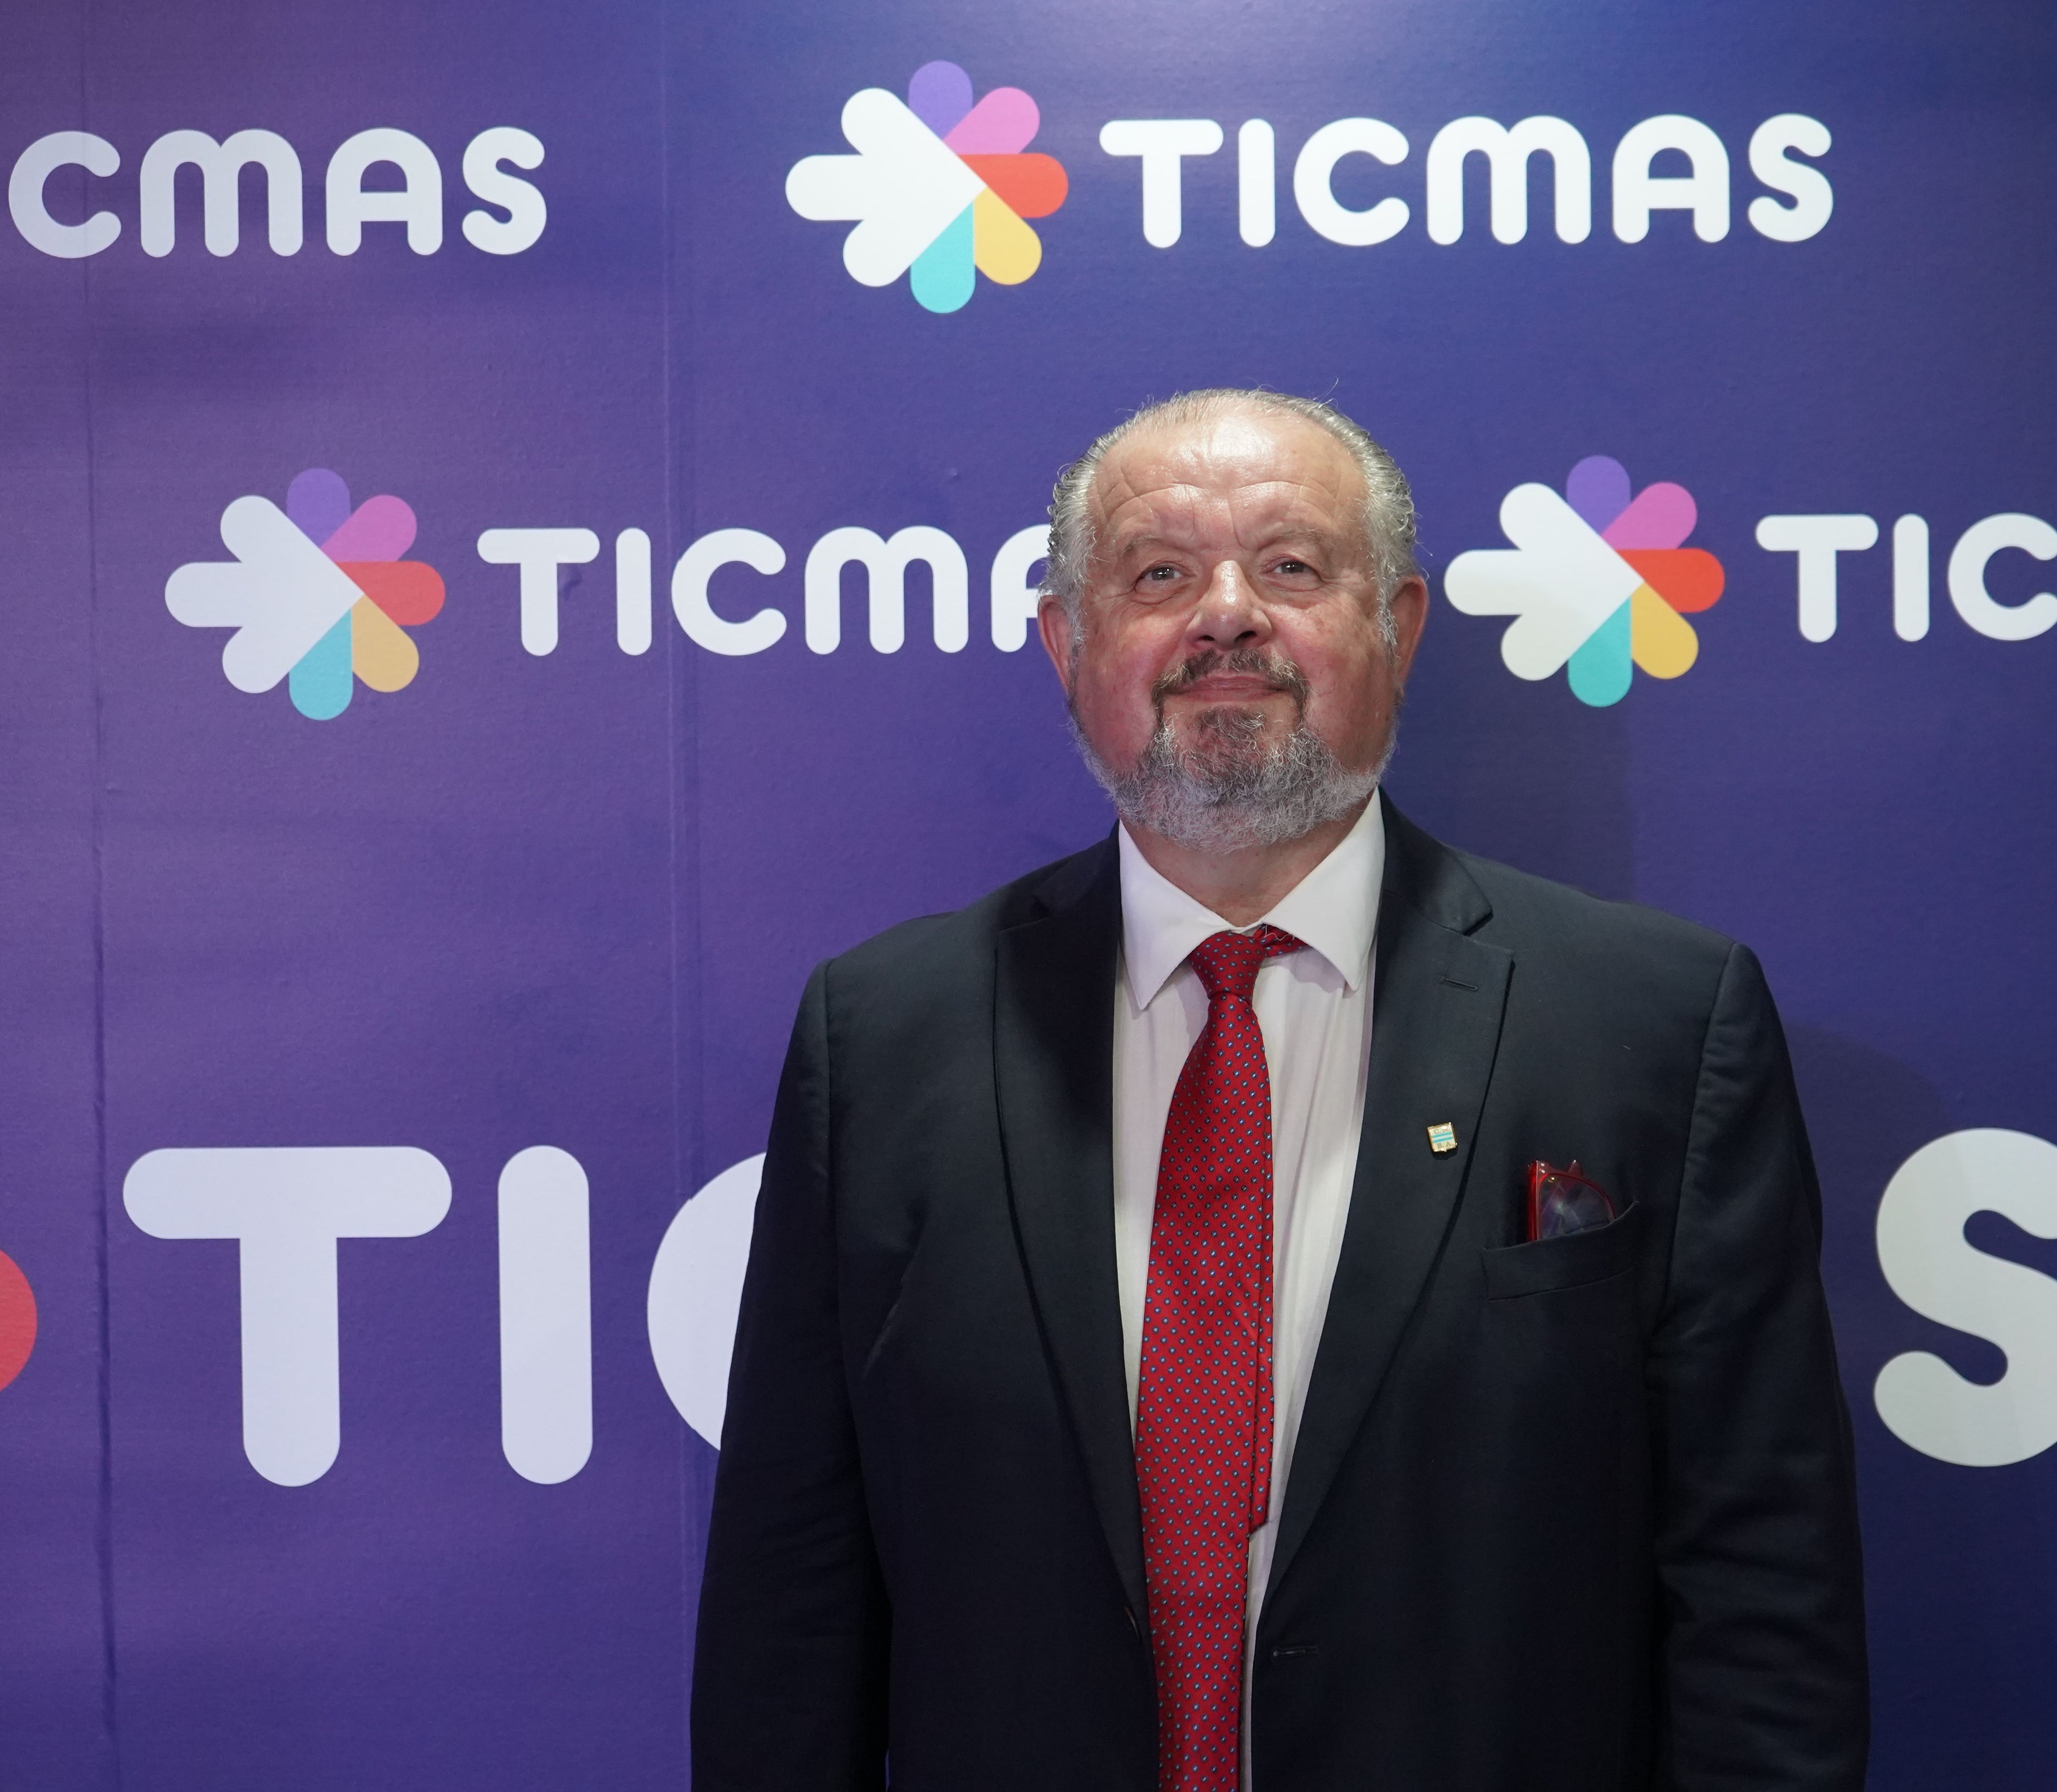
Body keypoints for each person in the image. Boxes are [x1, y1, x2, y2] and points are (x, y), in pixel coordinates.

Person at [691, 390, 1867, 1791]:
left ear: (1401, 627)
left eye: (1294, 567)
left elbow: (1761, 1605)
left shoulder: (1657, 1029)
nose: (1227, 617)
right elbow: (792, 1612)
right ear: (1069, 645)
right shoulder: (881, 1039)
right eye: (1160, 574)